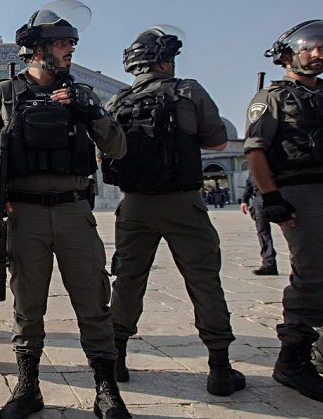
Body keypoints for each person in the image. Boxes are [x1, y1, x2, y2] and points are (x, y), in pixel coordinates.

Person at [0, 1, 131, 419]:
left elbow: (116, 147)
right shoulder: (3, 93)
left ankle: (105, 388)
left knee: (93, 303)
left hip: (72, 211)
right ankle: (29, 387)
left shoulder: (83, 95)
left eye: (72, 43)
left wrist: (90, 110)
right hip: (25, 214)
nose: (70, 50)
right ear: (38, 49)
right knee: (28, 305)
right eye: (62, 43)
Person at [102, 25, 245, 398]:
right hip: (182, 202)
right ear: (166, 61)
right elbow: (216, 140)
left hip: (133, 205)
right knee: (203, 280)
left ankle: (116, 357)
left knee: (128, 279)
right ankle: (219, 367)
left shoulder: (116, 101)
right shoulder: (187, 91)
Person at [245, 20, 323, 406]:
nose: (319, 55)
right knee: (314, 273)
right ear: (289, 54)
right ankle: (293, 360)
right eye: (311, 48)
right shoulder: (273, 98)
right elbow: (256, 150)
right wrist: (272, 197)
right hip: (302, 192)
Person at [240, 176, 277, 275]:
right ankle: (269, 264)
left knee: (290, 229)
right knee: (263, 232)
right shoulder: (253, 162)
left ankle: (299, 264)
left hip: (277, 194)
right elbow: (249, 181)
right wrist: (244, 200)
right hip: (258, 198)